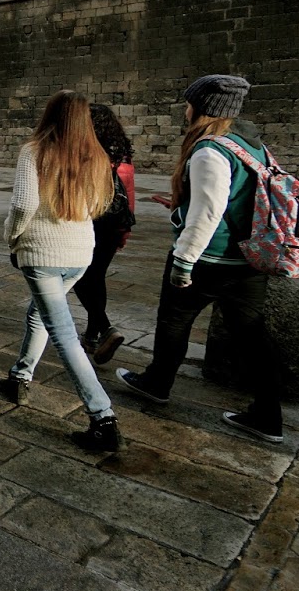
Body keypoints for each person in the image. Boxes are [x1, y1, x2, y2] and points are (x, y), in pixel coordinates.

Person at [117, 75, 288, 443]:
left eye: (188, 102)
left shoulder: (210, 149)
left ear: (202, 108)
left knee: (174, 321)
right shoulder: (251, 145)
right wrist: (181, 203)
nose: (185, 109)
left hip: (210, 259)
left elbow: (209, 212)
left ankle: (157, 383)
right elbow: (232, 200)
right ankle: (268, 415)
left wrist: (184, 260)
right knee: (252, 336)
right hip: (246, 260)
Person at [0, 90, 122, 452]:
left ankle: (103, 417)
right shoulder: (96, 156)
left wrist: (11, 237)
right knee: (40, 314)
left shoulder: (34, 151)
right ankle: (19, 376)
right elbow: (99, 205)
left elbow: (23, 204)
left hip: (43, 254)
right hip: (80, 254)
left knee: (64, 335)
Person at [76, 104, 137, 365]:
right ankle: (92, 335)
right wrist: (124, 231)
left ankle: (106, 328)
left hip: (88, 223)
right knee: (96, 277)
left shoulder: (83, 155)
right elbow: (129, 196)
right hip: (113, 225)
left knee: (79, 277)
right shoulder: (122, 157)